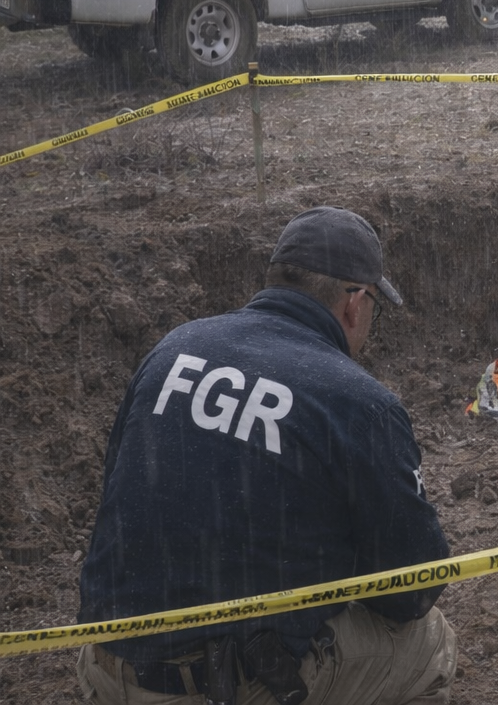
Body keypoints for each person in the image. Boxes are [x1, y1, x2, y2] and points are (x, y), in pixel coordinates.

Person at [76, 207, 456, 705]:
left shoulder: (173, 350)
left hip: (108, 667)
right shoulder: (358, 403)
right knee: (430, 641)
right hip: (234, 685)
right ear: (355, 303)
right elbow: (411, 590)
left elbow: (125, 495)